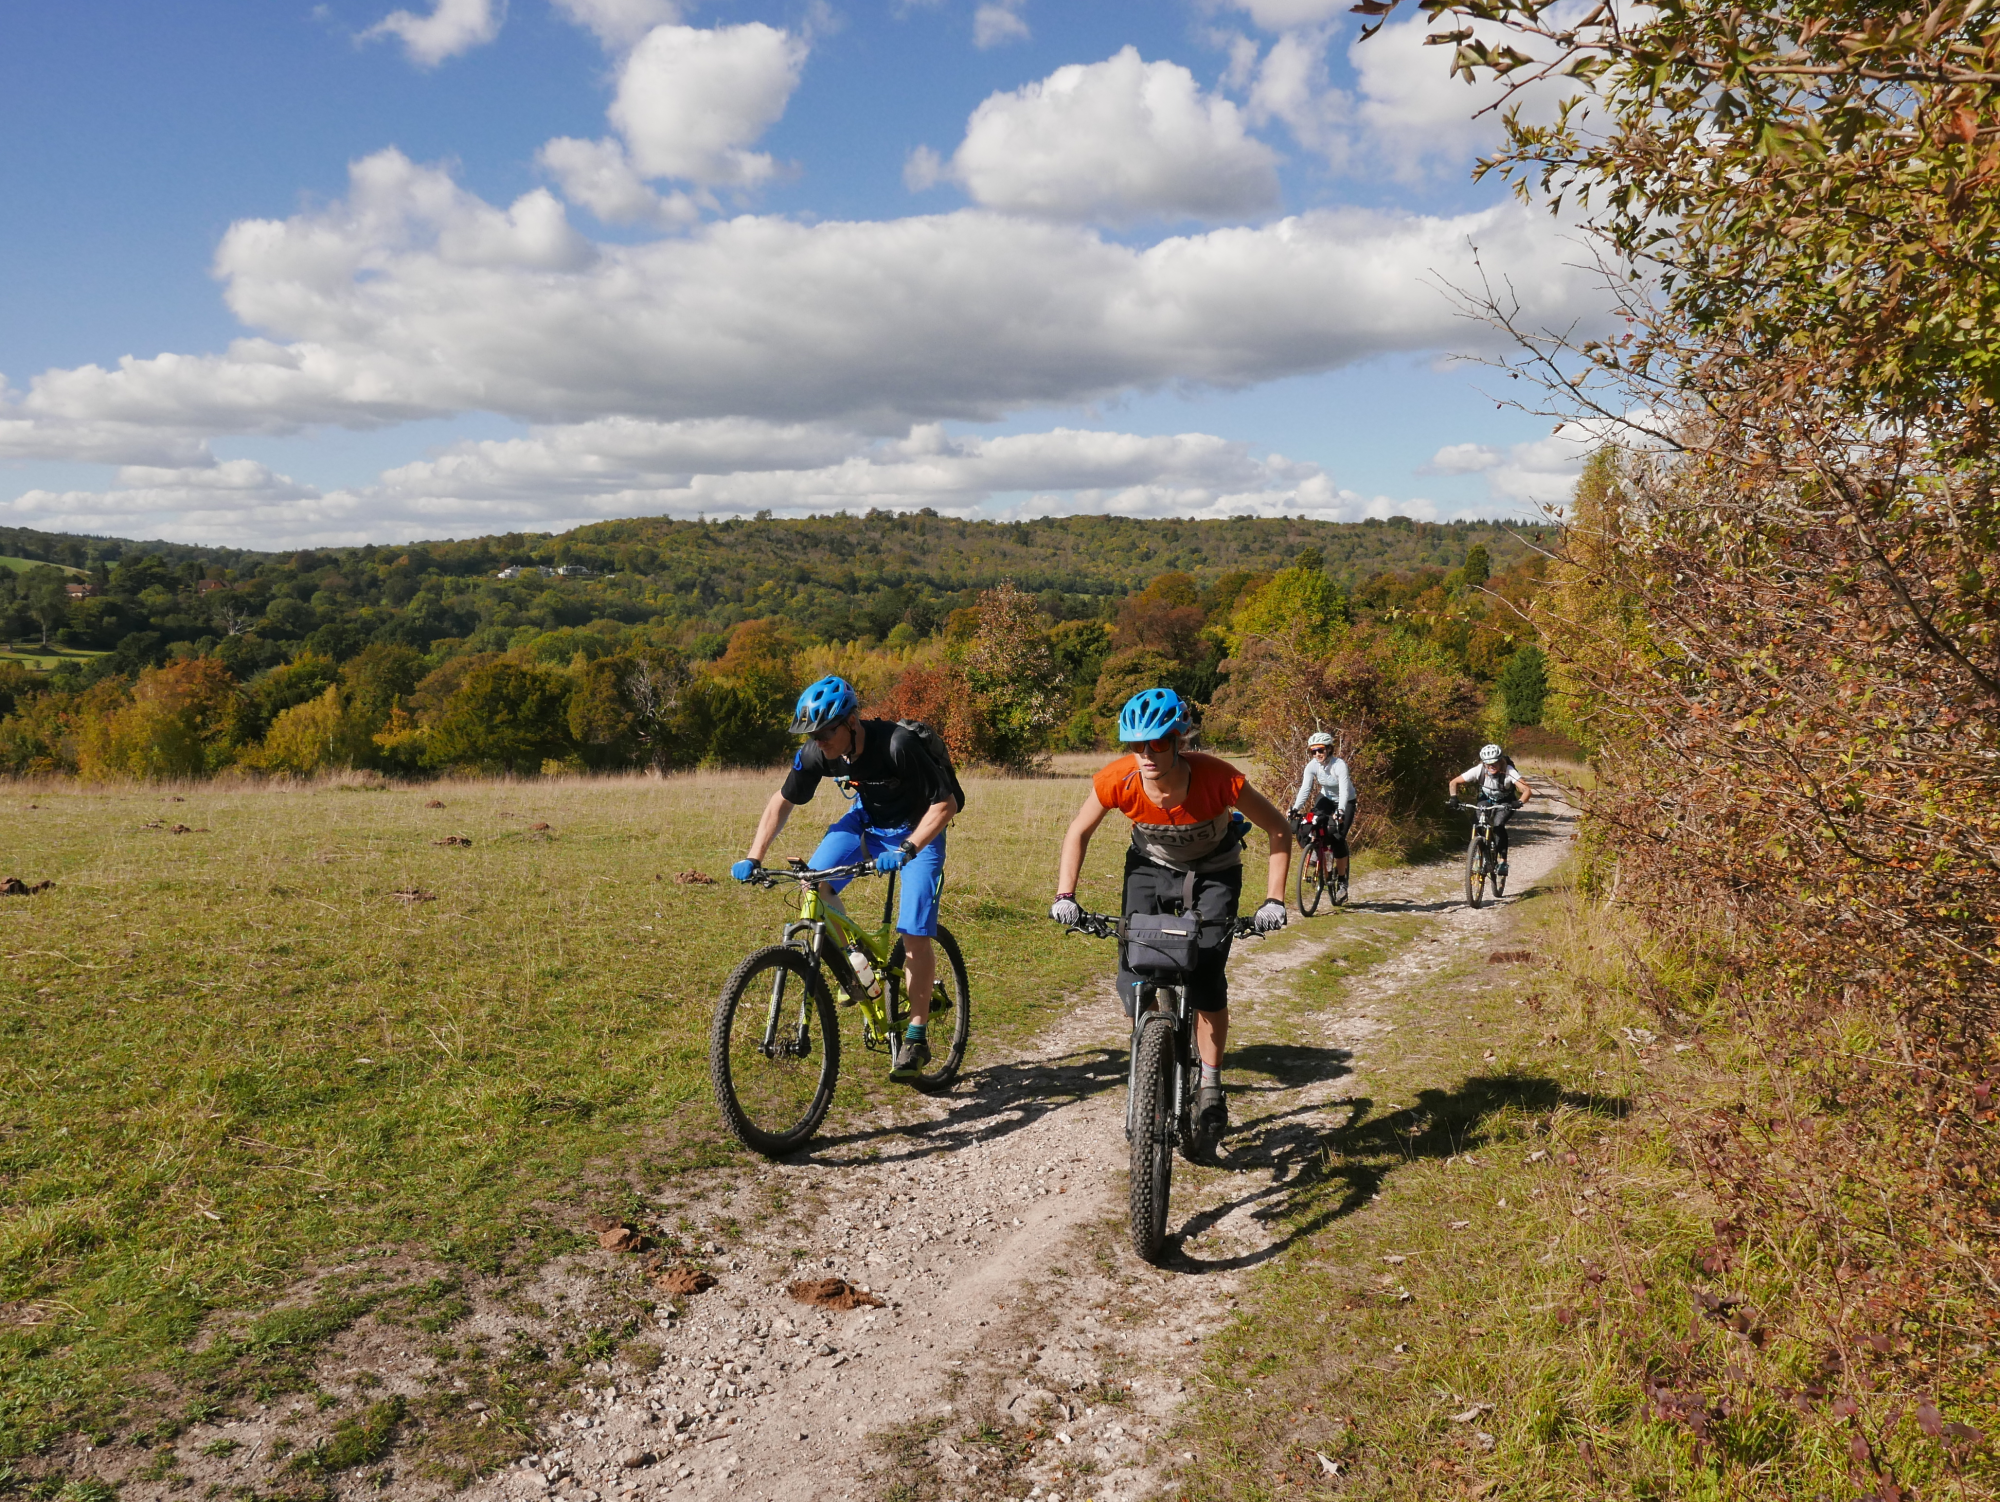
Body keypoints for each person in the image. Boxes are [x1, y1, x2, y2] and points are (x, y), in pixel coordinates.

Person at [1048, 687, 1293, 1142]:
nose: (1146, 754)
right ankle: (1152, 1050)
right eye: (1136, 745)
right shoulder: (1116, 780)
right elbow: (1078, 832)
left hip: (1216, 869)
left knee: (1205, 974)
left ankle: (1211, 1084)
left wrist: (1274, 900)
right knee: (1135, 963)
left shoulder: (1220, 779)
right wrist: (1066, 894)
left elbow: (1279, 829)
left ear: (1179, 740)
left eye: (1158, 743)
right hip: (1149, 866)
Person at [731, 676, 959, 1081]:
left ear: (852, 722)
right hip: (866, 824)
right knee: (813, 882)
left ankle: (916, 1033)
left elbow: (947, 803)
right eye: (811, 735)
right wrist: (754, 855)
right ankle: (858, 966)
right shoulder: (820, 753)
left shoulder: (896, 745)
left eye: (824, 731)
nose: (819, 741)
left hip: (917, 829)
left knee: (914, 936)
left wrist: (906, 850)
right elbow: (781, 802)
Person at [1447, 742, 1534, 876]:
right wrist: (1454, 798)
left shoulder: (1509, 771)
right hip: (1486, 799)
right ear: (1483, 763)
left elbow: (1526, 789)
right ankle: (1480, 852)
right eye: (1487, 763)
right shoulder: (1479, 769)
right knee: (1477, 823)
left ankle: (1503, 861)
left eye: (1494, 763)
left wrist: (1519, 802)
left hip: (1506, 801)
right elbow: (1454, 782)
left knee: (1499, 825)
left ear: (1500, 761)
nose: (1491, 766)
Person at [1290, 730, 1354, 892]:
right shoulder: (1312, 766)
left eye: (1320, 750)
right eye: (1313, 751)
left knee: (1338, 837)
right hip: (1325, 798)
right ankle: (1315, 851)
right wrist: (1295, 808)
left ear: (1329, 749)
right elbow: (1305, 788)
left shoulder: (1339, 765)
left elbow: (1344, 790)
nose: (1317, 754)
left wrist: (1340, 810)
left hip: (1345, 800)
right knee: (1313, 821)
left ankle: (1341, 882)